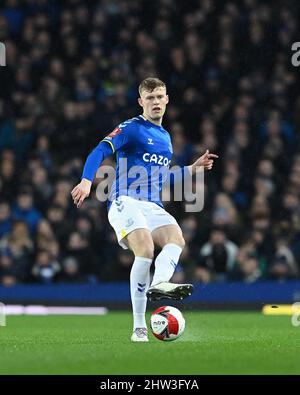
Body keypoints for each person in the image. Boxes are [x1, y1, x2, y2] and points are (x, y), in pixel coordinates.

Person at [71, 78, 218, 342]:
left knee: (176, 238)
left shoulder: (166, 138)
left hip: (151, 204)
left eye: (160, 97)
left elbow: (162, 179)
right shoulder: (132, 128)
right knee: (146, 249)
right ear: (141, 102)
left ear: (167, 99)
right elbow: (100, 150)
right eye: (150, 98)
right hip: (124, 201)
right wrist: (86, 180)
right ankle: (139, 327)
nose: (156, 102)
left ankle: (159, 283)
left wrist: (193, 169)